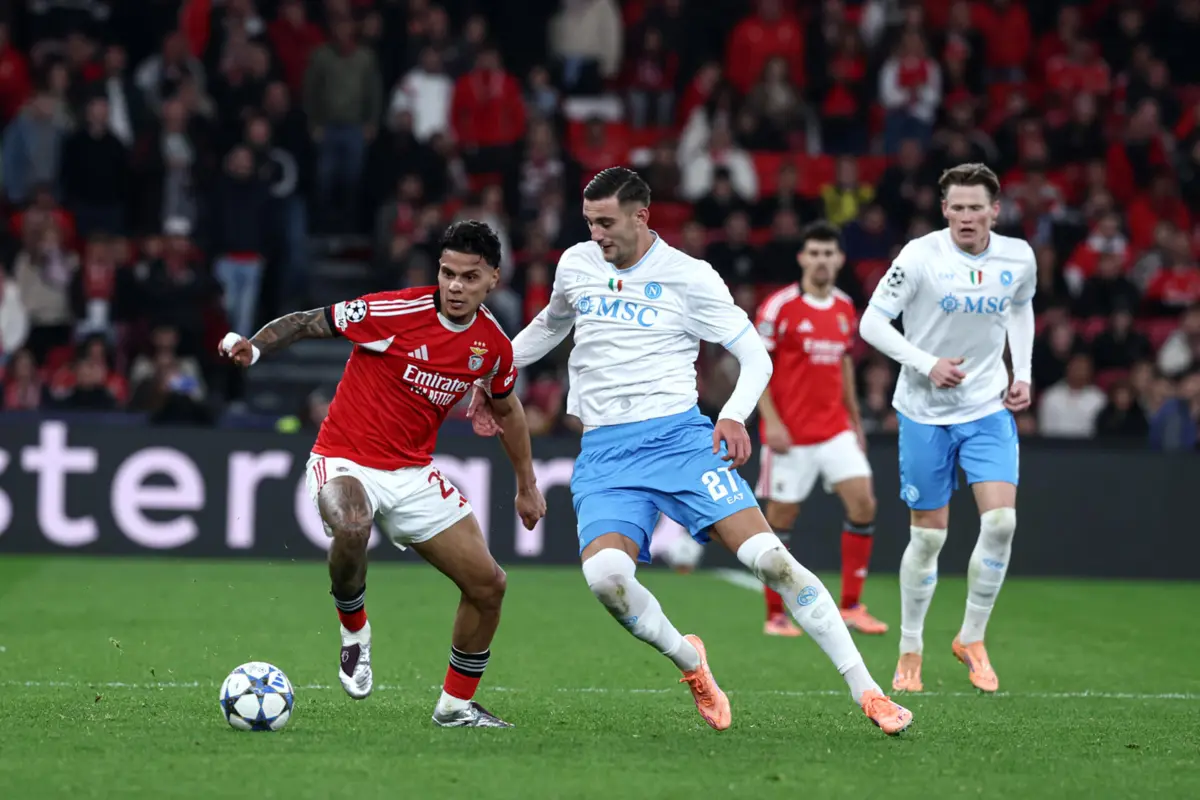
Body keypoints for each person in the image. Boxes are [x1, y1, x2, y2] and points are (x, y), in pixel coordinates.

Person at [469, 167, 912, 735]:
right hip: (606, 453)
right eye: (589, 222)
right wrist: (489, 372)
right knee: (606, 578)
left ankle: (868, 692)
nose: (596, 234)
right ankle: (691, 663)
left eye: (606, 222)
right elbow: (548, 327)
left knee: (771, 561)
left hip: (680, 442)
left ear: (640, 217)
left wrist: (732, 415)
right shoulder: (576, 265)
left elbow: (756, 356)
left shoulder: (689, 277)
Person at [219, 221, 546, 728]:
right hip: (345, 458)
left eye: (469, 277)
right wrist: (256, 347)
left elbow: (506, 411)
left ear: (493, 280)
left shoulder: (492, 346)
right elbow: (310, 321)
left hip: (413, 474)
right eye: (447, 273)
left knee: (489, 585)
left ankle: (455, 707)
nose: (455, 286)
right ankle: (355, 633)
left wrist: (526, 484)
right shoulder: (394, 311)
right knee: (352, 523)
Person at [857, 163, 1036, 694]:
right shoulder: (920, 256)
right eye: (956, 207)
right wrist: (924, 362)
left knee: (1001, 522)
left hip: (985, 407)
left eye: (975, 207)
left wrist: (1021, 372)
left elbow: (1021, 309)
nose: (965, 216)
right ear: (944, 211)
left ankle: (971, 638)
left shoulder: (1018, 256)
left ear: (994, 211)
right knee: (929, 537)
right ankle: (910, 647)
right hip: (924, 411)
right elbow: (871, 322)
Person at [752, 221, 886, 637]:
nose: (822, 260)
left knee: (864, 502)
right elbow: (755, 365)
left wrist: (854, 420)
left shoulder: (846, 307)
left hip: (835, 429)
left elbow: (844, 363)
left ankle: (851, 605)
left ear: (840, 259)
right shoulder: (778, 308)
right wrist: (770, 421)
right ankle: (775, 614)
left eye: (829, 253)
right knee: (779, 521)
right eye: (815, 253)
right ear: (802, 258)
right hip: (790, 435)